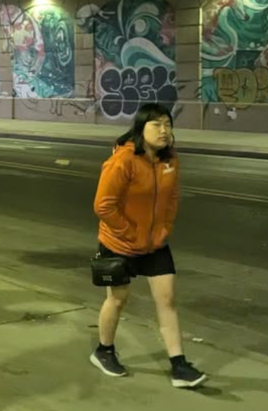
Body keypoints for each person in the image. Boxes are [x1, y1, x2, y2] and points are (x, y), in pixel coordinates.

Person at [89, 102, 207, 388]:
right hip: (120, 243)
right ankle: (104, 351)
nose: (164, 130)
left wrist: (165, 227)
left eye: (167, 124)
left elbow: (172, 196)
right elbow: (103, 206)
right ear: (141, 128)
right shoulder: (123, 160)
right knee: (118, 299)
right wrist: (128, 232)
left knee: (167, 301)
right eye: (156, 124)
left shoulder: (170, 160)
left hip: (155, 243)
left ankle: (179, 365)